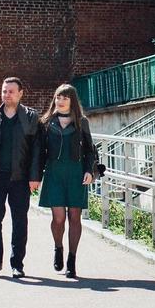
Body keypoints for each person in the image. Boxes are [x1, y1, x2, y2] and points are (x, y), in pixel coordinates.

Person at [0, 77, 42, 279]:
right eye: (4, 91)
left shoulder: (30, 117)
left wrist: (35, 177)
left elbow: (37, 150)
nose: (7, 95)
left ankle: (17, 264)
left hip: (21, 179)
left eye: (11, 91)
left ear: (21, 93)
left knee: (19, 221)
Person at [37, 83, 97, 280]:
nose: (60, 101)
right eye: (58, 97)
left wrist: (89, 170)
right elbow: (38, 152)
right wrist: (35, 176)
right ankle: (58, 247)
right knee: (58, 218)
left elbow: (90, 150)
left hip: (76, 174)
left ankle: (72, 260)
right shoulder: (46, 122)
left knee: (74, 217)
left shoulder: (82, 122)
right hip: (54, 173)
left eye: (65, 98)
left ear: (72, 101)